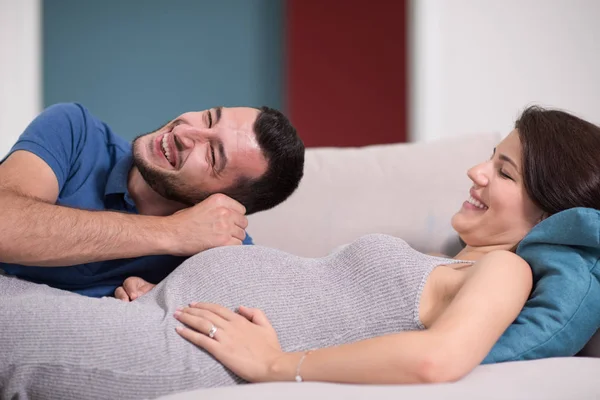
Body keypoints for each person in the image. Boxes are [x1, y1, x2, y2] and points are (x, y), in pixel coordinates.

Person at [1, 105, 599, 399]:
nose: (475, 172)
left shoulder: (508, 268)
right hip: (141, 316)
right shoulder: (453, 262)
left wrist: (277, 365)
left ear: (548, 207)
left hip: (168, 351)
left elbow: (436, 361)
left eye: (503, 170)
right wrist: (159, 288)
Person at [0, 103, 305, 298]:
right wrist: (173, 233)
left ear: (224, 203)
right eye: (209, 117)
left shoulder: (224, 251)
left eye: (212, 154)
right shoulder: (74, 130)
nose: (185, 131)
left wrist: (168, 299)